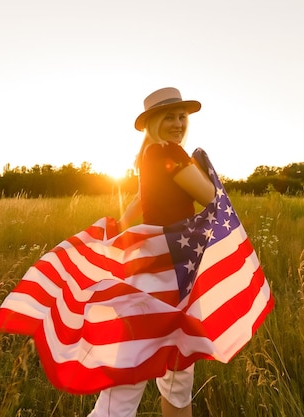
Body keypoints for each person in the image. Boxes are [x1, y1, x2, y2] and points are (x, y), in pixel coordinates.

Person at [87, 87, 215, 417]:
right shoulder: (168, 152)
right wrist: (207, 172)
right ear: (153, 122)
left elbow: (139, 198)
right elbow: (209, 196)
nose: (178, 123)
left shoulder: (148, 156)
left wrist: (120, 224)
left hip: (168, 265)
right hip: (169, 266)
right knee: (141, 361)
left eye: (182, 116)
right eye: (169, 116)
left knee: (173, 362)